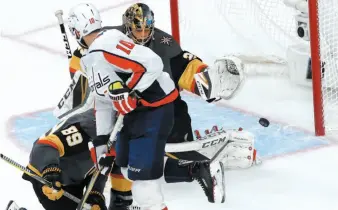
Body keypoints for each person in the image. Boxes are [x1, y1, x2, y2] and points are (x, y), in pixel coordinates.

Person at [67, 3, 227, 210]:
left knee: (145, 186)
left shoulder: (106, 44)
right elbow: (104, 100)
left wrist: (130, 92)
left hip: (155, 107)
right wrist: (101, 142)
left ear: (76, 32)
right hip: (134, 111)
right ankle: (196, 169)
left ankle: (183, 179)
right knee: (125, 167)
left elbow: (153, 64)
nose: (142, 33)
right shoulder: (90, 58)